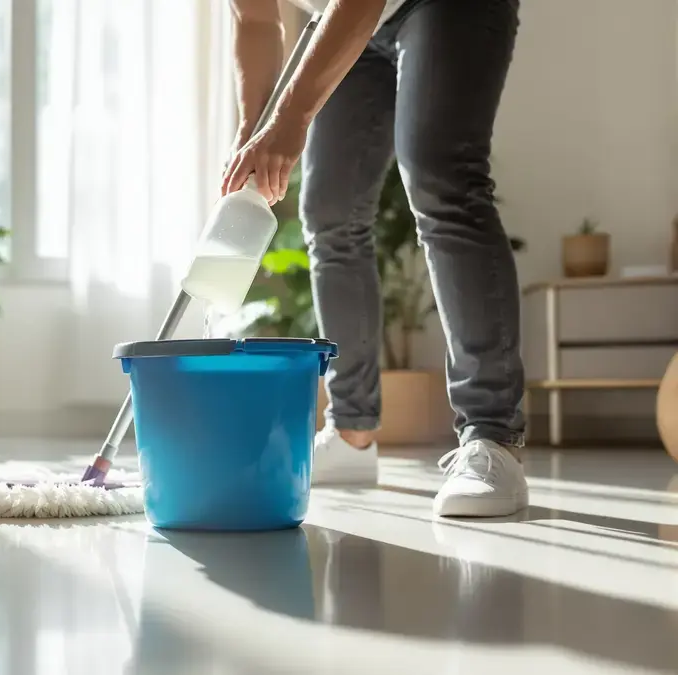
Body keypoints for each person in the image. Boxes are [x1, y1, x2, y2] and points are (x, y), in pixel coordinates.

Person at [223, 0, 526, 517]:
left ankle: (492, 438)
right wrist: (256, 128)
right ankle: (350, 431)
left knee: (442, 177)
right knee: (330, 212)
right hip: (350, 23)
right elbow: (255, 20)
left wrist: (291, 117)